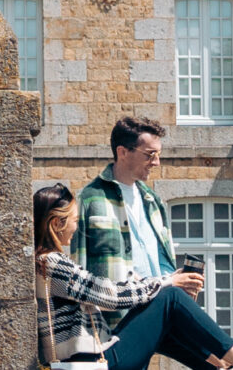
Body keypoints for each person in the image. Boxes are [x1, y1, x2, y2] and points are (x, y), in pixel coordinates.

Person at [38, 183, 233, 370]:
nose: (76, 227)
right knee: (171, 297)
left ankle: (223, 367)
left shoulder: (44, 264)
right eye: (74, 221)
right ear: (57, 223)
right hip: (92, 362)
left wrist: (156, 284)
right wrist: (167, 281)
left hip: (92, 359)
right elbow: (111, 296)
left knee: (164, 319)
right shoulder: (52, 264)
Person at [69, 116, 179, 327]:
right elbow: (79, 270)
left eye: (158, 155)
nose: (156, 162)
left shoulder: (153, 200)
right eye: (150, 154)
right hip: (117, 320)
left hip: (159, 312)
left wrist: (181, 281)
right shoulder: (90, 199)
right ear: (123, 152)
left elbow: (163, 260)